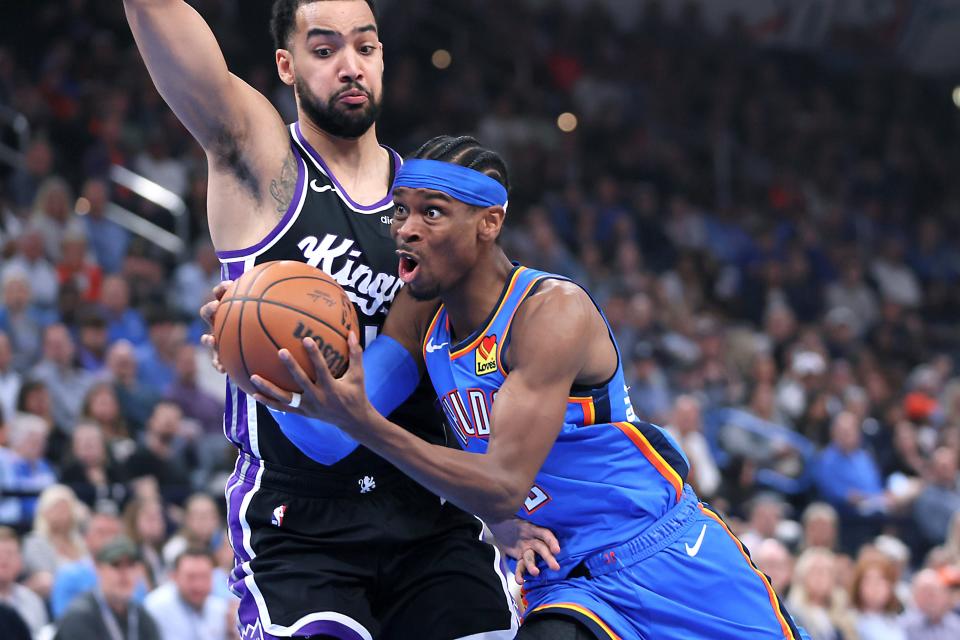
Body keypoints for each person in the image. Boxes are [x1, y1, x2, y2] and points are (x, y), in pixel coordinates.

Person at [253, 137, 809, 638]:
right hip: (569, 580)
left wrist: (368, 427)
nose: (406, 228)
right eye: (400, 212)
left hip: (664, 555)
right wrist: (253, 361)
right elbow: (331, 437)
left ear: (488, 223)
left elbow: (500, 485)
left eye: (432, 213)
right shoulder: (421, 311)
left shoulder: (550, 312)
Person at [126, 1, 522, 637]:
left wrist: (507, 507)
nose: (350, 66)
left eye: (366, 48)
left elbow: (484, 369)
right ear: (286, 64)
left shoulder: (431, 198)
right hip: (300, 521)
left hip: (427, 509)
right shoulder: (260, 158)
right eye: (325, 49)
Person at [53, 536, 161, 640]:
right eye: (116, 565)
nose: (125, 573)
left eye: (131, 565)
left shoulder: (141, 617)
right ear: (98, 569)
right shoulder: (79, 616)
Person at [144, 548, 228, 640]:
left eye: (204, 576)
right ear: (174, 577)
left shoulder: (221, 610)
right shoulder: (155, 607)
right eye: (191, 577)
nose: (198, 585)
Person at [0, 526, 50, 637]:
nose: (4, 559)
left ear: (20, 561)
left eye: (9, 553)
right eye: (0, 553)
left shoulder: (32, 600)